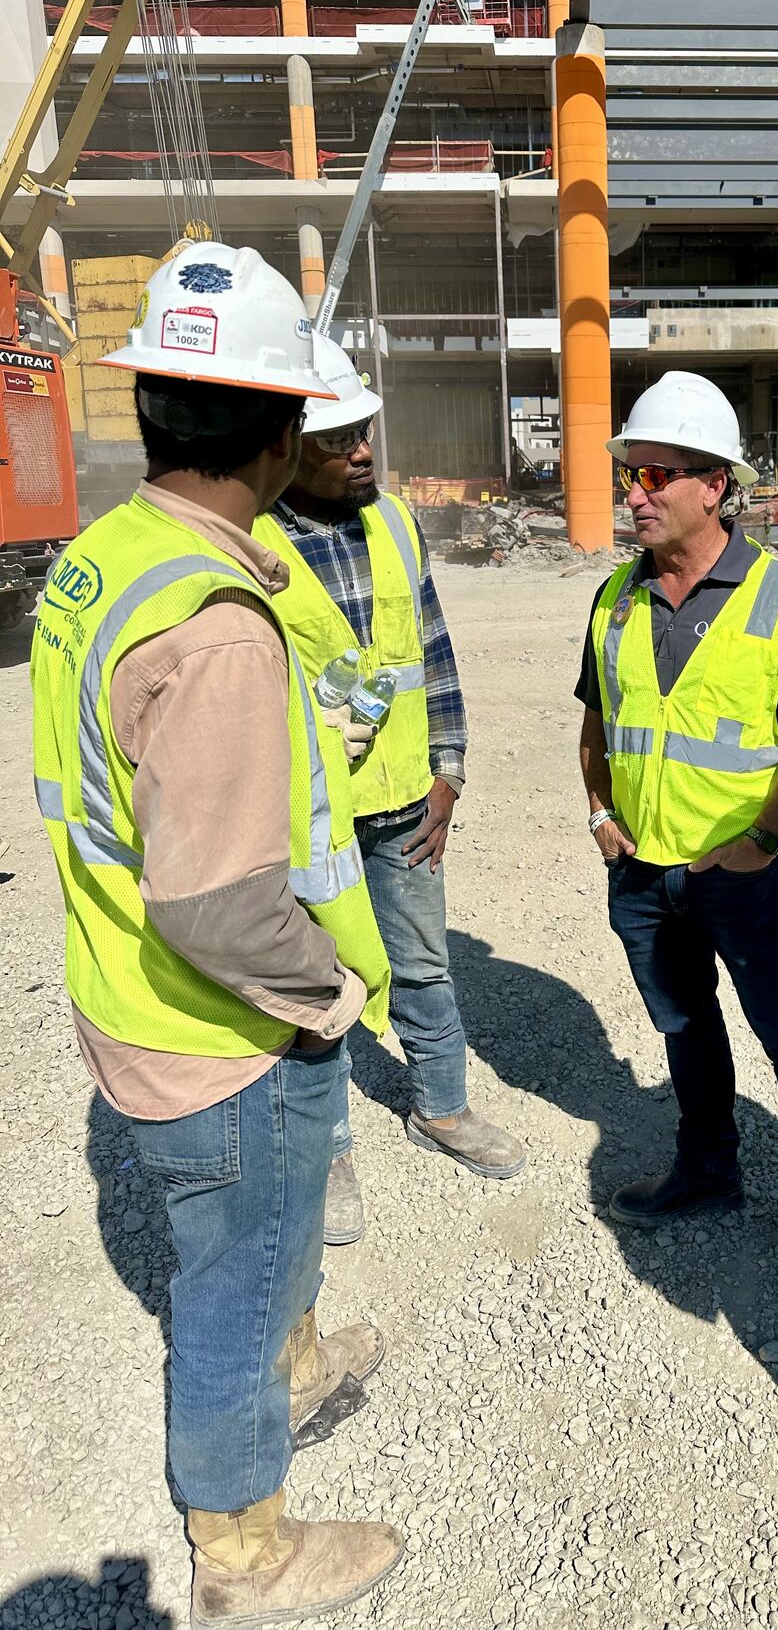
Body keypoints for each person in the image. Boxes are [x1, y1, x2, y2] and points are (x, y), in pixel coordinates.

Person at [30, 243, 404, 1626]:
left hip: (130, 992)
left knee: (272, 1241)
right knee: (233, 1287)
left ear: (148, 409)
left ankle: (296, 1368)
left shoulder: (107, 558)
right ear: (282, 430)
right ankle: (241, 1552)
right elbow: (214, 905)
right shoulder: (218, 627)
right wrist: (326, 989)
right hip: (220, 1025)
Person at [576, 370, 778, 1310]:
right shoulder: (613, 598)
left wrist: (763, 840)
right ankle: (708, 1169)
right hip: (642, 872)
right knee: (685, 1028)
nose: (637, 494)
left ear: (717, 485)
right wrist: (601, 815)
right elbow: (598, 721)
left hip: (741, 875)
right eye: (632, 474)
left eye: (658, 475)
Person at [257, 333, 525, 1246]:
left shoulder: (397, 523)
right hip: (311, 819)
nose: (363, 449)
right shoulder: (250, 543)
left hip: (407, 797)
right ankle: (326, 1150)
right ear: (288, 447)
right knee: (317, 986)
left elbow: (432, 654)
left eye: (365, 429)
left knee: (423, 961)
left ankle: (441, 1107)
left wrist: (449, 770)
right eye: (338, 439)